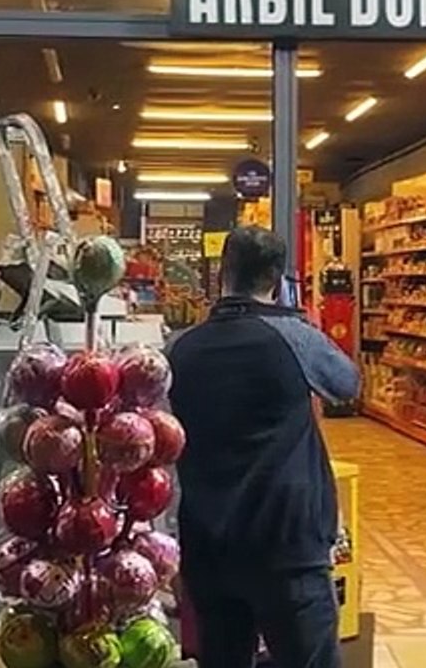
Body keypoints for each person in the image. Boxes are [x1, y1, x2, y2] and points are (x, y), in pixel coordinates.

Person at [165, 225, 360, 668]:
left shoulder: (181, 349)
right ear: (277, 279)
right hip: (287, 544)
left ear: (222, 274)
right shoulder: (295, 337)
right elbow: (346, 384)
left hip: (208, 545)